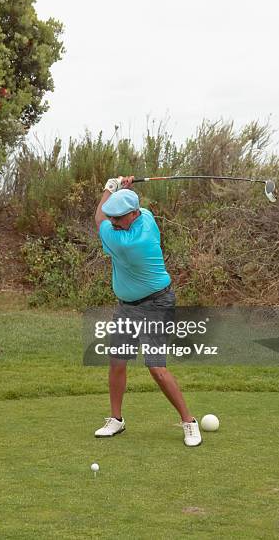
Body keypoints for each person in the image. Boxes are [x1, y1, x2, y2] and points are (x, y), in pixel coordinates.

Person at [93, 175, 202, 447]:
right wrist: (123, 191)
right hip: (127, 307)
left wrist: (110, 188)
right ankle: (116, 419)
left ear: (132, 215)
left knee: (156, 367)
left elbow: (98, 218)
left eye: (118, 218)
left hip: (157, 304)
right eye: (113, 218)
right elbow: (113, 212)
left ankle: (189, 422)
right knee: (117, 361)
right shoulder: (147, 217)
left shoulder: (127, 242)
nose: (114, 223)